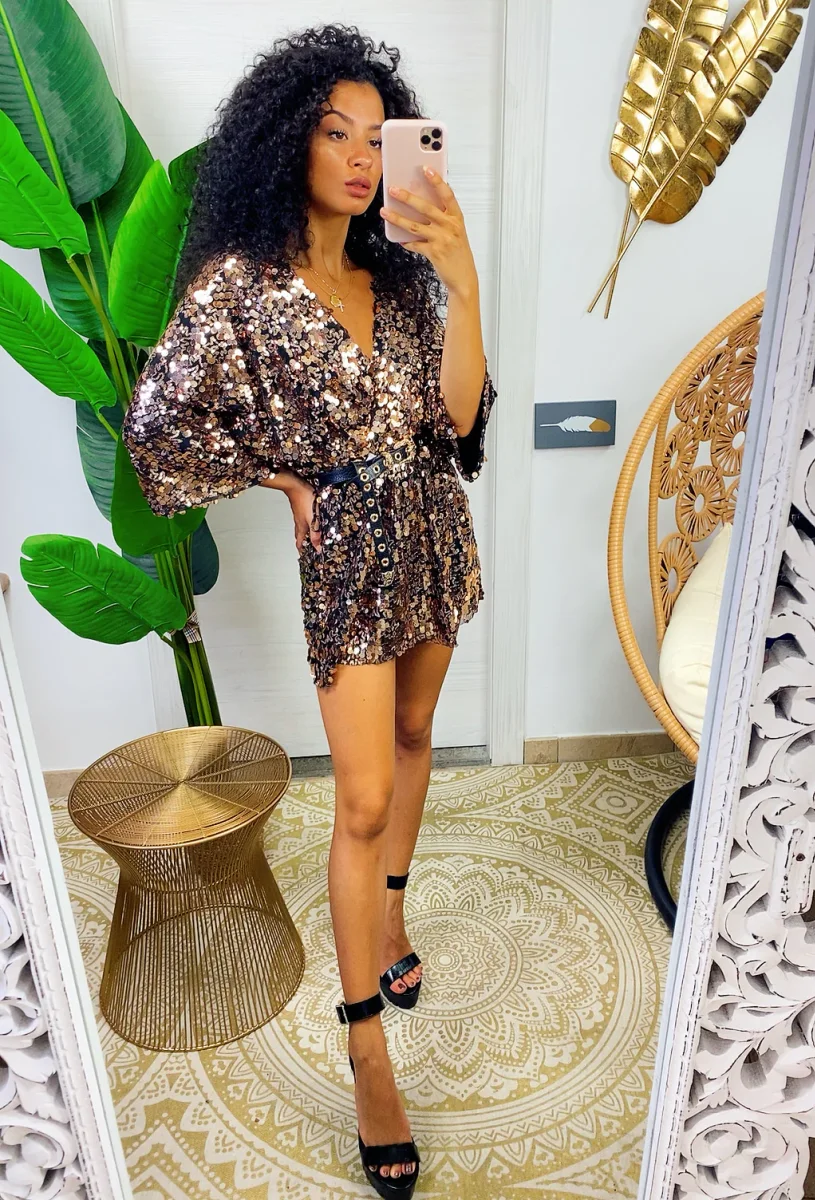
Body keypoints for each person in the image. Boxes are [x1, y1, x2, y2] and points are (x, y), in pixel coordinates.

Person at [121, 24, 496, 1200]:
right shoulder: (240, 289)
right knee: (363, 796)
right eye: (334, 132)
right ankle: (368, 1054)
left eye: (375, 136)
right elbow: (158, 428)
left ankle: (391, 920)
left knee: (419, 735)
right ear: (288, 141)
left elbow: (459, 420)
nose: (358, 157)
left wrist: (464, 278)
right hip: (351, 562)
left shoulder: (405, 279)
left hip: (434, 526)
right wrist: (284, 478)